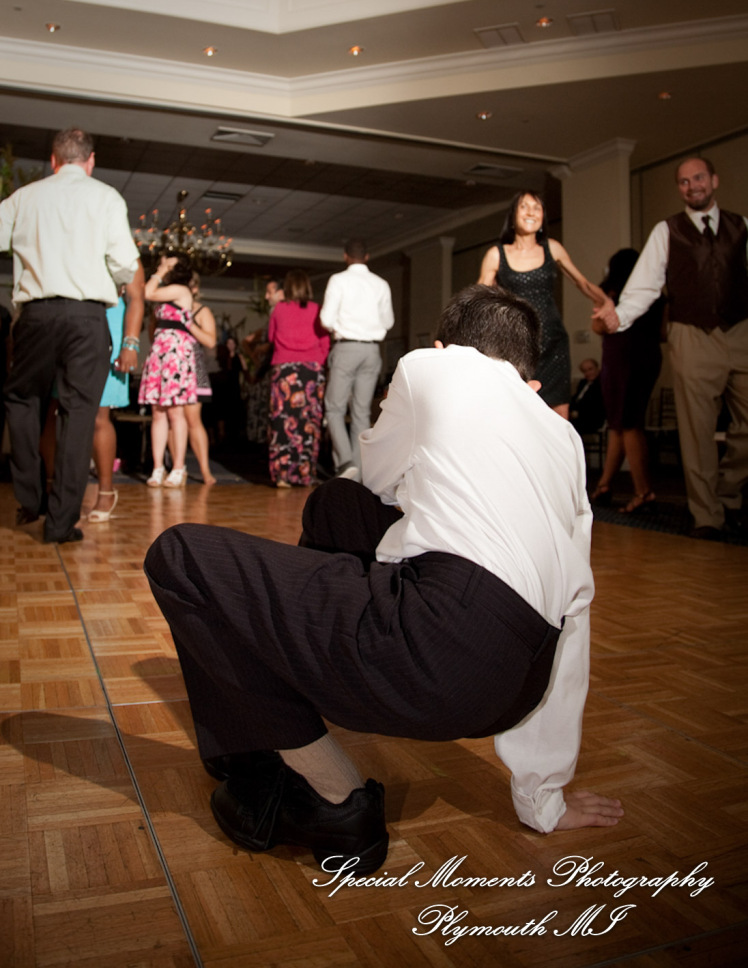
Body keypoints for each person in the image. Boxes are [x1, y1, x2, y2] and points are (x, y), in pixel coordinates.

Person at [144, 284, 623, 878]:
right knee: (336, 506)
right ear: (530, 383)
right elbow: (575, 614)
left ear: (443, 345)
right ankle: (296, 689)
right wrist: (542, 795)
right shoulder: (565, 440)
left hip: (434, 654)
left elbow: (379, 470)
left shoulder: (430, 367)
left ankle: (336, 799)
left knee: (181, 557)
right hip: (518, 686)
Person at [0, 127, 142, 543]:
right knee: (80, 415)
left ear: (53, 160)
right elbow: (123, 265)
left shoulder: (26, 197)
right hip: (86, 318)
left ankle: (30, 495)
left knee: (21, 397)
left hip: (37, 316)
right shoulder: (106, 197)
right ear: (91, 160)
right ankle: (61, 524)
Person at [598, 157, 748, 540]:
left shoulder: (741, 226)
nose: (692, 186)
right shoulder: (668, 231)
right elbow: (645, 285)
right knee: (697, 431)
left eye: (698, 178)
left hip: (741, 331)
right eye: (683, 181)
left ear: (713, 180)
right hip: (691, 334)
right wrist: (620, 317)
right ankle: (707, 515)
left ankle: (729, 495)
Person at [479, 191, 615, 418]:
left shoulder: (552, 248)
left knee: (558, 413)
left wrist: (607, 302)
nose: (531, 212)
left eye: (537, 207)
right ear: (513, 215)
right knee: (518, 411)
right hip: (517, 344)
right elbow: (479, 298)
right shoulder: (496, 255)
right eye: (524, 206)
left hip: (554, 343)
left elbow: (582, 283)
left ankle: (560, 455)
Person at [590, 248, 665, 513]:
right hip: (649, 355)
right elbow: (663, 331)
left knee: (627, 423)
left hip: (620, 357)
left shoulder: (609, 290)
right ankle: (605, 485)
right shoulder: (654, 290)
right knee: (620, 423)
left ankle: (643, 491)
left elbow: (599, 326)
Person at [319, 239, 394, 480]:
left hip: (346, 348)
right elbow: (388, 322)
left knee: (334, 408)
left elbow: (326, 320)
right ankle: (358, 473)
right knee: (362, 412)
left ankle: (345, 463)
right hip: (372, 351)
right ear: (368, 256)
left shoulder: (338, 281)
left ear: (345, 256)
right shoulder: (381, 284)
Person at [88, 278, 146, 522]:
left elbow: (138, 294)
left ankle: (105, 491)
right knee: (58, 413)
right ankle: (52, 489)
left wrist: (129, 344)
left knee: (98, 415)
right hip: (72, 318)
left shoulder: (117, 246)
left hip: (109, 319)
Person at [267, 269, 330, 487]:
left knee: (282, 420)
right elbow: (325, 340)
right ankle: (305, 474)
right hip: (311, 370)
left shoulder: (279, 309)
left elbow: (271, 337)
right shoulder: (316, 309)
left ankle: (282, 475)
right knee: (309, 421)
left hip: (284, 368)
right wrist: (317, 361)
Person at [138, 254, 196, 488]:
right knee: (158, 412)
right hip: (160, 353)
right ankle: (158, 467)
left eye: (167, 263)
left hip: (176, 355)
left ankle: (179, 467)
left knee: (175, 412)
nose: (162, 265)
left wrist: (159, 272)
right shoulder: (167, 293)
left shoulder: (181, 290)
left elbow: (147, 292)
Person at [183, 272, 217, 485]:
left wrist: (189, 323)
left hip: (193, 368)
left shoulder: (203, 311)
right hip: (171, 367)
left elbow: (211, 342)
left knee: (193, 420)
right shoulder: (166, 308)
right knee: (172, 419)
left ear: (195, 289)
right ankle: (177, 468)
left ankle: (205, 471)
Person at [243, 279, 284, 445]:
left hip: (275, 367)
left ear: (280, 292)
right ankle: (262, 442)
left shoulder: (283, 312)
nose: (266, 297)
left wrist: (264, 349)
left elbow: (277, 342)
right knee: (262, 406)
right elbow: (246, 341)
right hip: (265, 368)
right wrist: (255, 354)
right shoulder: (272, 315)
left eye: (269, 292)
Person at [569, 358, 606, 434]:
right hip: (577, 416)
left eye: (590, 369)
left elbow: (594, 404)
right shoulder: (583, 383)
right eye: (585, 371)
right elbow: (575, 399)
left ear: (597, 368)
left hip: (591, 418)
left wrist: (576, 412)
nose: (588, 373)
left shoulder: (601, 384)